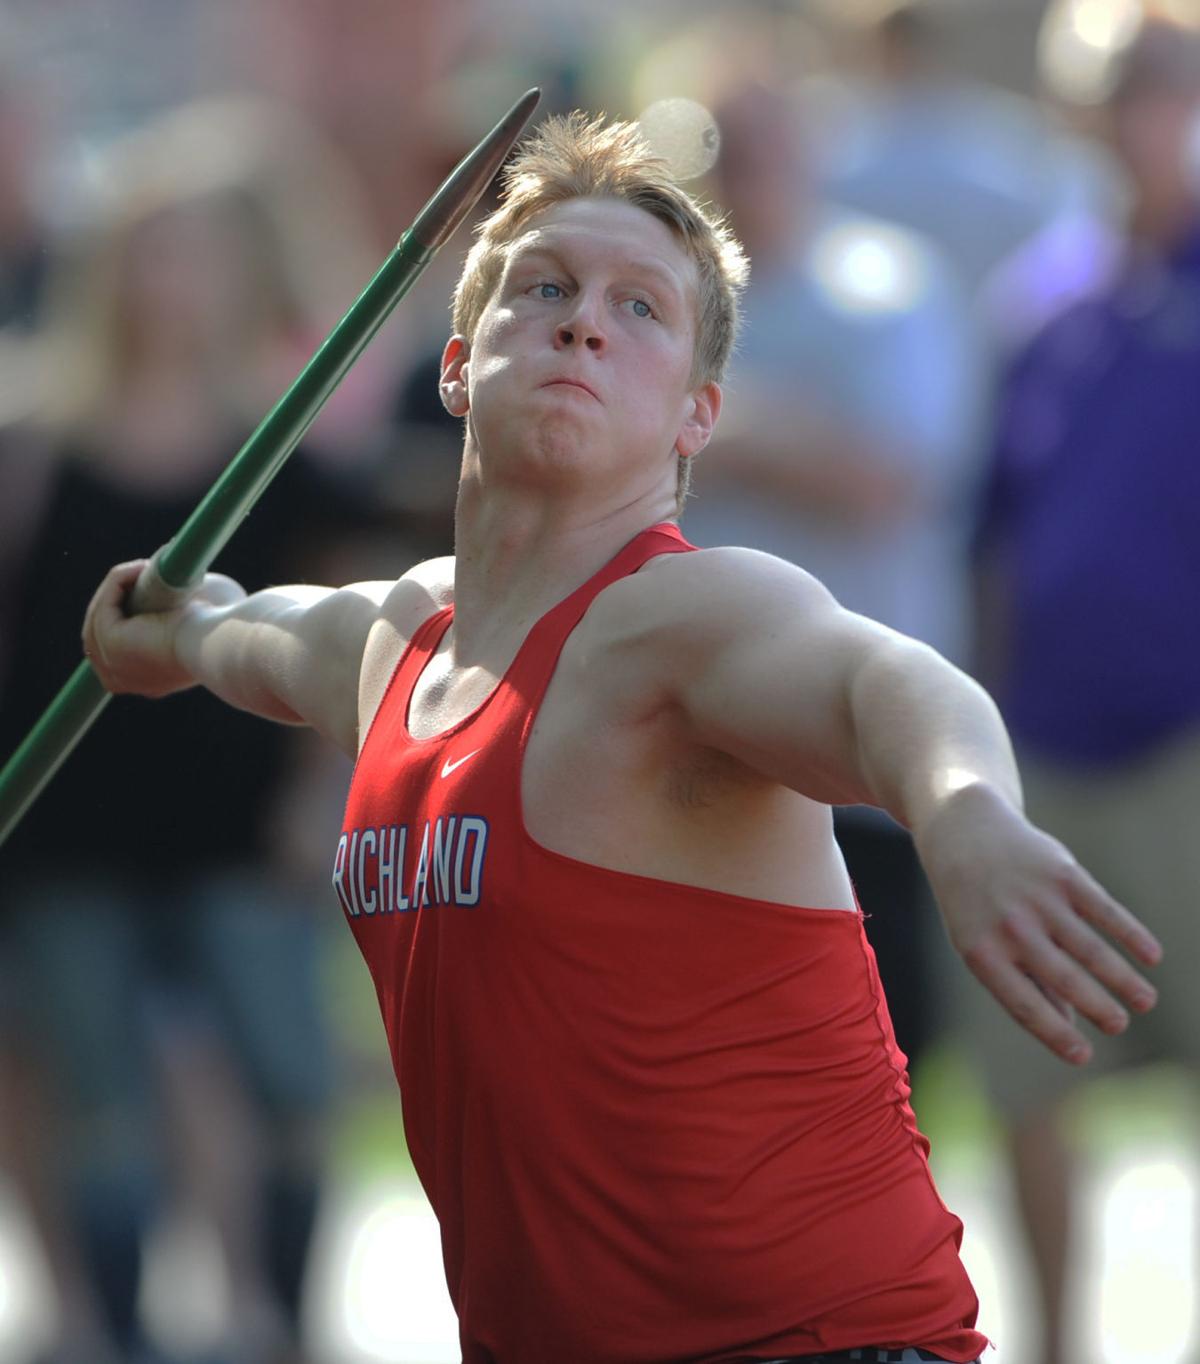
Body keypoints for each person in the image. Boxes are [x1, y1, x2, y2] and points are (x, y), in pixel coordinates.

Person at [79, 112, 1161, 1364]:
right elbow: (238, 631)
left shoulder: (681, 621)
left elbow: (884, 680)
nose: (584, 319)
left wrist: (966, 812)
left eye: (640, 307)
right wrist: (159, 632)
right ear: (453, 364)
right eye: (544, 287)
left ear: (698, 417)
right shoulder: (389, 647)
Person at [963, 15, 1200, 1364]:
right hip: (1046, 739)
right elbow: (998, 531)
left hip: (1189, 739)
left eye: (1160, 90)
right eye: (1109, 95)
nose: (1133, 119)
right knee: (1027, 1078)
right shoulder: (1038, 302)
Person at [684, 75, 984, 1078]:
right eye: (719, 146)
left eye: (761, 145)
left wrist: (732, 428)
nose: (740, 169)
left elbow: (890, 476)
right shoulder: (672, 302)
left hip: (854, 745)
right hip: (709, 746)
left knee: (874, 1055)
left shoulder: (881, 287)